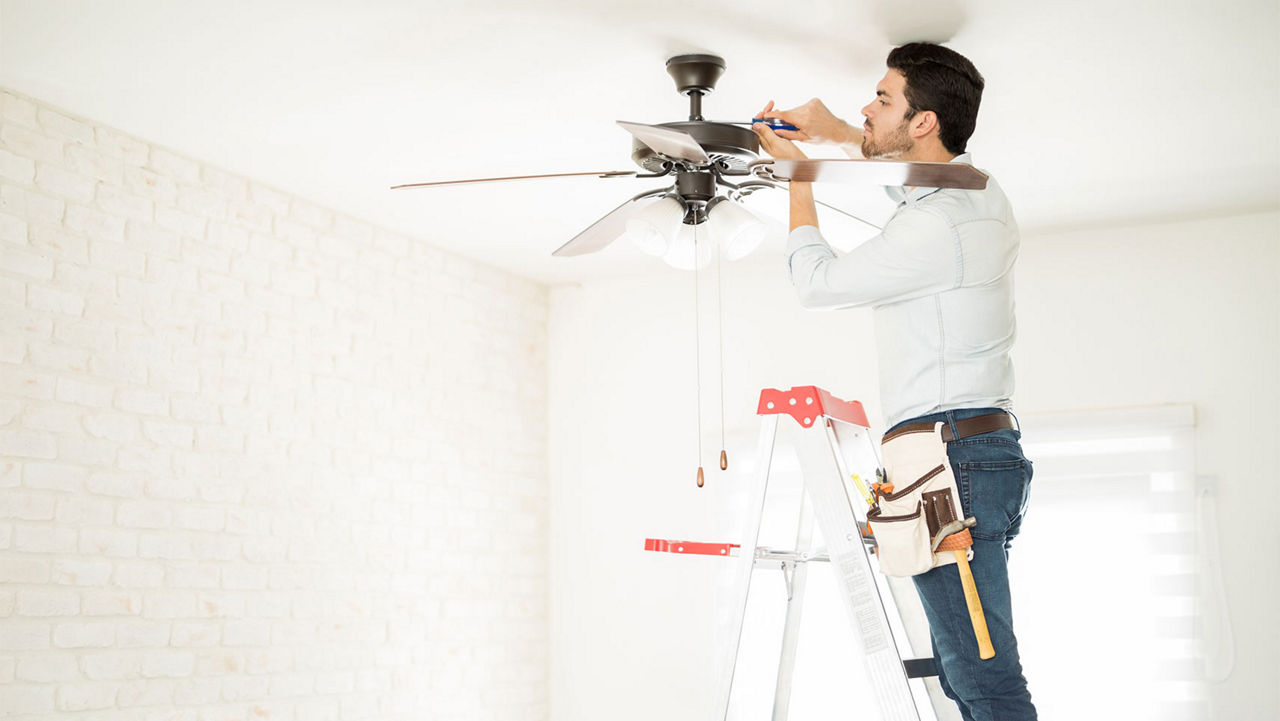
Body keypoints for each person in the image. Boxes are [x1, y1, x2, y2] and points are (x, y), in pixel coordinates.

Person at [752, 43, 1037, 720]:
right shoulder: (975, 192)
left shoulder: (936, 226)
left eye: (882, 98)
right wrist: (833, 134)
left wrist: (800, 180)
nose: (866, 106)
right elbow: (908, 177)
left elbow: (816, 283)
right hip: (965, 453)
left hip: (948, 460)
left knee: (982, 676)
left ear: (924, 121)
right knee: (970, 673)